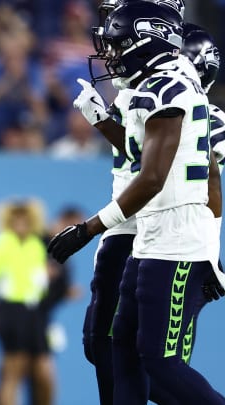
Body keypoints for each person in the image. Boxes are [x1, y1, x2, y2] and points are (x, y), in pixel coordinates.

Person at [48, 2, 225, 403]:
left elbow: (158, 175)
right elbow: (138, 155)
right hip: (148, 227)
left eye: (117, 42)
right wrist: (100, 120)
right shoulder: (151, 85)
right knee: (115, 345)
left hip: (174, 234)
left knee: (159, 362)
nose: (109, 53)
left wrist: (89, 227)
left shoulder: (170, 86)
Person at [0, 200, 52, 405]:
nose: (21, 224)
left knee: (43, 371)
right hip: (10, 311)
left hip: (34, 314)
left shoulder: (36, 245)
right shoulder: (2, 244)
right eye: (16, 220)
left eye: (25, 220)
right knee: (13, 370)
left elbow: (41, 281)